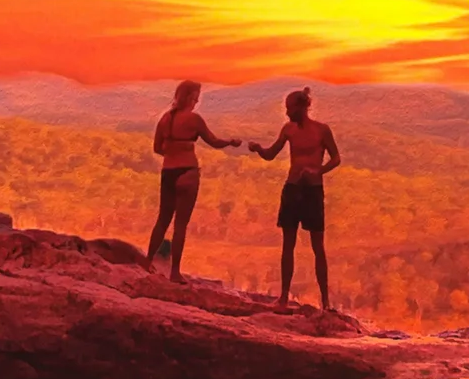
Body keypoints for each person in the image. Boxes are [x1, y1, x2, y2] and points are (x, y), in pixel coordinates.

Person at [252, 86, 341, 309]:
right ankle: (283, 296)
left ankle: (325, 302)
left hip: (312, 190)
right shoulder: (288, 130)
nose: (287, 112)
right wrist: (258, 149)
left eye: (290, 108)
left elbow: (336, 158)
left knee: (318, 247)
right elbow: (271, 154)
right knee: (287, 245)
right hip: (292, 188)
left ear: (302, 107)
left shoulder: (321, 130)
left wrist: (317, 171)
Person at [144, 78, 238, 278]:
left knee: (162, 219)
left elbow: (157, 148)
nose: (197, 102)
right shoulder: (194, 119)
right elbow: (213, 141)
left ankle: (147, 261)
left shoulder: (165, 119)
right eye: (196, 98)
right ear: (189, 97)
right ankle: (175, 272)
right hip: (187, 171)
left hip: (168, 171)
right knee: (180, 224)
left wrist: (173, 151)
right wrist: (230, 142)